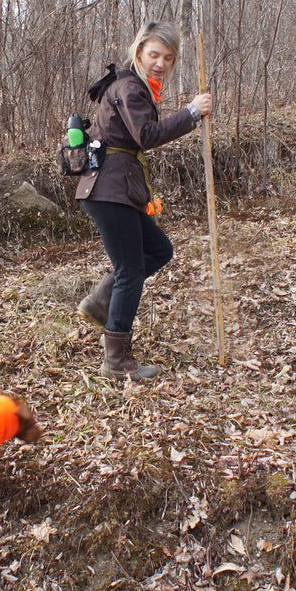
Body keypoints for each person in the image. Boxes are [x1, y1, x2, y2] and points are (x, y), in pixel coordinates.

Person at [75, 21, 213, 381]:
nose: (160, 63)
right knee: (131, 270)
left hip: (118, 189)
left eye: (168, 57)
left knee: (159, 250)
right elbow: (147, 135)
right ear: (139, 53)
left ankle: (101, 300)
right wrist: (192, 113)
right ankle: (116, 361)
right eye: (154, 55)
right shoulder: (130, 87)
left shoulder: (136, 87)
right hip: (109, 189)